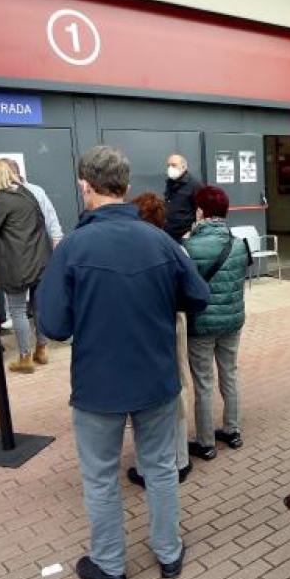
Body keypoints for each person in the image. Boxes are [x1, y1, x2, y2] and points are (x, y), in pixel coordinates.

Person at [37, 146, 210, 579]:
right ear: (126, 186)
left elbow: (53, 325)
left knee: (100, 478)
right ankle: (169, 553)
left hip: (98, 385)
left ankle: (110, 567)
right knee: (159, 469)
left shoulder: (73, 247)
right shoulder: (161, 242)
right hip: (156, 378)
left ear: (84, 185)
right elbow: (198, 297)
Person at [129, 191, 193, 484]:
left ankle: (148, 467)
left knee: (146, 399)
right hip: (175, 322)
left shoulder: (133, 252)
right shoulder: (175, 248)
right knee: (176, 386)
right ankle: (180, 459)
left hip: (146, 329)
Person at [182, 185, 249, 461]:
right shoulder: (238, 243)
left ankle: (206, 442)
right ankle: (232, 431)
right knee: (230, 374)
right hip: (232, 321)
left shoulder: (188, 247)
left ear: (200, 212)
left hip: (202, 325)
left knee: (203, 382)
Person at [0, 159, 52, 373]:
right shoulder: (26, 194)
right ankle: (42, 349)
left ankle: (25, 358)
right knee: (39, 307)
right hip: (41, 260)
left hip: (15, 264)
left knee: (18, 310)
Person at [164, 153, 199, 243]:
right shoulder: (170, 183)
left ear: (183, 167)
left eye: (174, 165)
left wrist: (192, 233)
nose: (170, 168)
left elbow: (201, 211)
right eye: (168, 165)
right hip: (168, 235)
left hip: (185, 237)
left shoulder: (194, 185)